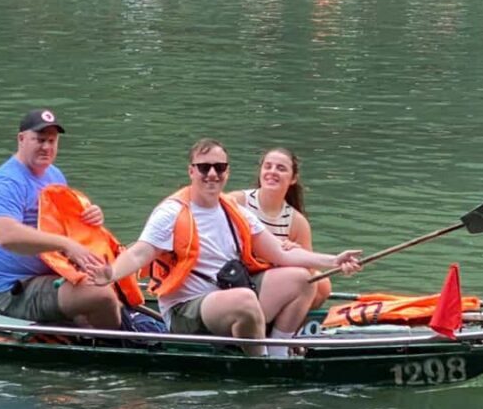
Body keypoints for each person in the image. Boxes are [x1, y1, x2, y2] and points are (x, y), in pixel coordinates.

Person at [88, 138, 361, 357]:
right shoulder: (172, 212)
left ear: (227, 172)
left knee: (303, 278)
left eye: (219, 168)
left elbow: (280, 253)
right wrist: (110, 274)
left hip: (229, 295)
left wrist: (334, 261)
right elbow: (140, 252)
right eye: (204, 167)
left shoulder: (234, 210)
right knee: (244, 299)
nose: (212, 174)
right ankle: (260, 362)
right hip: (187, 310)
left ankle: (279, 351)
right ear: (191, 171)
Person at [0, 108, 121, 329]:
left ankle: (98, 330)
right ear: (21, 139)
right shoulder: (6, 182)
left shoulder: (54, 174)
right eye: (39, 140)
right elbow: (6, 235)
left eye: (52, 141)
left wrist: (91, 216)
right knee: (102, 295)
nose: (46, 147)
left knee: (114, 277)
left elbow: (67, 224)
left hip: (57, 273)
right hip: (17, 289)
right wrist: (65, 244)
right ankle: (114, 344)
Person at [229, 147, 332, 309]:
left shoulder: (297, 222)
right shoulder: (237, 201)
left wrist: (294, 251)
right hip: (235, 275)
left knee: (322, 284)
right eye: (268, 166)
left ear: (293, 179)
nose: (272, 172)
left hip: (273, 279)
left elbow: (309, 270)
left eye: (281, 168)